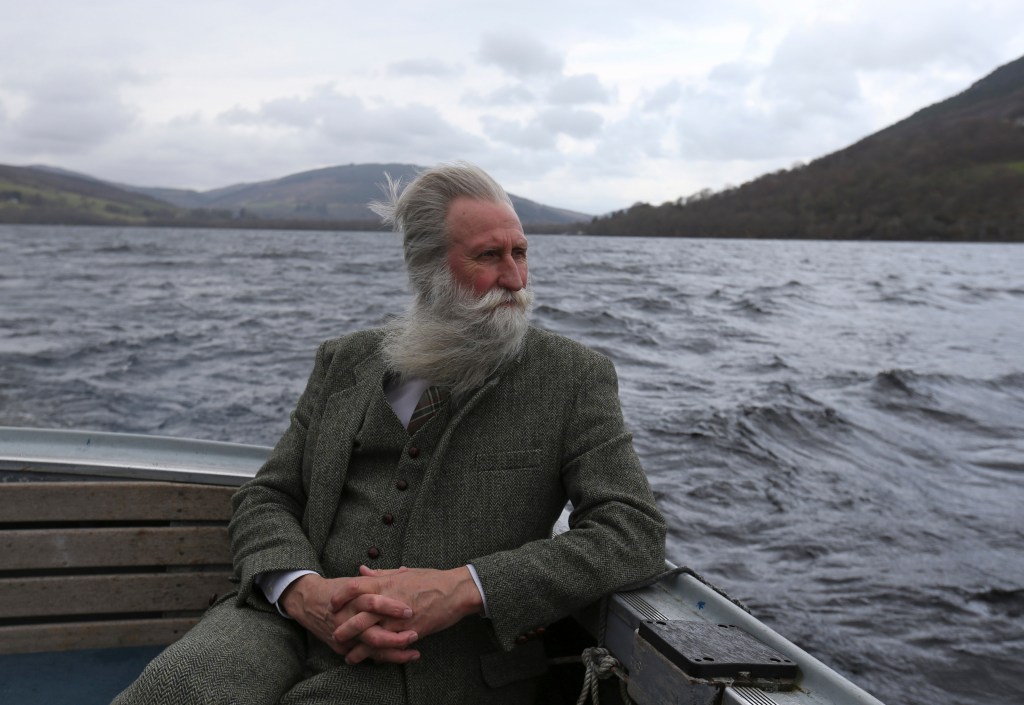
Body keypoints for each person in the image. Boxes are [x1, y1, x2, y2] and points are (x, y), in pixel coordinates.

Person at [114, 162, 666, 704]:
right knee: (174, 689)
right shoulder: (345, 362)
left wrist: (463, 588)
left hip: (434, 661)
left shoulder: (571, 376)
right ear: (427, 267)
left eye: (520, 253)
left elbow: (632, 530)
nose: (516, 279)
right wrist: (302, 592)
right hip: (285, 622)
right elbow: (269, 494)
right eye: (489, 257)